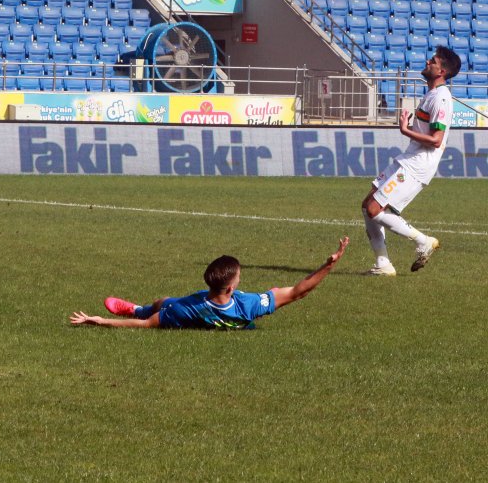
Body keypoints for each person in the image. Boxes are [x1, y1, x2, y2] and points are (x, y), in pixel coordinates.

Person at [69, 237, 349, 329]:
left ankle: (135, 307)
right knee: (276, 293)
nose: (240, 278)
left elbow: (144, 326)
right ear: (231, 287)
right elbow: (300, 292)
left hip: (190, 312)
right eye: (239, 275)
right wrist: (329, 265)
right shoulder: (247, 306)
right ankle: (135, 307)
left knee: (162, 303)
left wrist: (101, 321)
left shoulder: (186, 309)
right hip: (230, 317)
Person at [361, 46, 462, 276]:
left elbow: (436, 140)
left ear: (442, 71)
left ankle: (423, 241)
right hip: (408, 158)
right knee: (367, 205)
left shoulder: (442, 99)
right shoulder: (433, 94)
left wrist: (405, 130)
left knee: (374, 208)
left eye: (433, 61)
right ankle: (383, 264)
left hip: (417, 165)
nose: (428, 62)